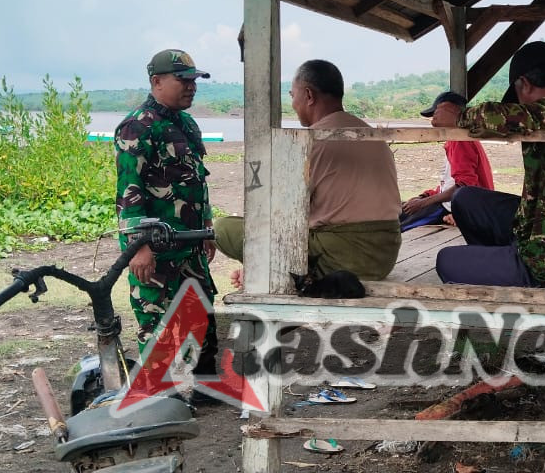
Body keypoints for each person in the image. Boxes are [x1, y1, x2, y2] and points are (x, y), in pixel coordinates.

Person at [430, 41, 545, 289]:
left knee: (446, 261)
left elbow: (507, 117)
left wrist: (459, 117)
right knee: (465, 198)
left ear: (525, 84)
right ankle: (500, 263)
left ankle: (515, 274)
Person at [216, 59, 402, 282]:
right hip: (385, 254)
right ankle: (265, 269)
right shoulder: (369, 133)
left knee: (224, 228)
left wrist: (259, 259)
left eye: (293, 95)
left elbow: (281, 214)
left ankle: (269, 271)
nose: (293, 104)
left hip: (343, 258)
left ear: (309, 96)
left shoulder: (310, 141)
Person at [114, 49, 219, 374]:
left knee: (201, 314)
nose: (191, 87)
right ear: (156, 81)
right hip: (157, 249)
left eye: (194, 80)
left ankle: (201, 388)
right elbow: (128, 191)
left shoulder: (186, 124)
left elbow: (196, 180)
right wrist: (139, 246)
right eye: (183, 80)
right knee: (158, 321)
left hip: (191, 242)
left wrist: (207, 225)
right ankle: (161, 397)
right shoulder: (136, 128)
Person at [400, 91, 496, 231]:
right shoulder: (458, 139)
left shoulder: (460, 140)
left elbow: (464, 186)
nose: (433, 121)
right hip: (454, 205)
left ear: (448, 110)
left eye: (435, 113)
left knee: (400, 228)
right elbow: (448, 185)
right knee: (398, 214)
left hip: (454, 208)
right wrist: (424, 196)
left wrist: (422, 204)